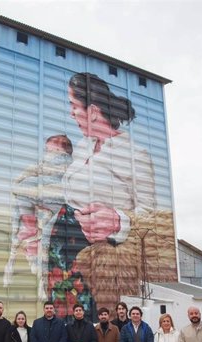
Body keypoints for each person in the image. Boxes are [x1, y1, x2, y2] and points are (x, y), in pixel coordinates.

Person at [47, 73, 156, 322]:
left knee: (93, 320)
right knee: (64, 319)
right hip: (64, 248)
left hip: (97, 253)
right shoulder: (85, 146)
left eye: (74, 106)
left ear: (93, 111)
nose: (71, 113)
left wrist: (119, 221)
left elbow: (151, 215)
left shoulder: (134, 156)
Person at [4, 134, 74, 286]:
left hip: (55, 196)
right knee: (24, 192)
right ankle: (29, 230)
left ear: (60, 147)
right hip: (47, 197)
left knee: (24, 190)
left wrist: (17, 185)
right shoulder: (49, 163)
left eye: (50, 148)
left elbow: (32, 171)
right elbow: (32, 170)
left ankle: (28, 230)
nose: (47, 151)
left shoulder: (65, 162)